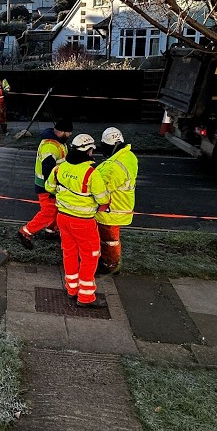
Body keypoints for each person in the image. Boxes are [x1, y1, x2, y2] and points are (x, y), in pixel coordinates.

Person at [45, 133, 110, 307]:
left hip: (63, 219)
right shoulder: (91, 173)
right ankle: (86, 297)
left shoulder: (60, 168)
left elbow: (48, 187)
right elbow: (103, 200)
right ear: (88, 151)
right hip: (84, 222)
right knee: (90, 256)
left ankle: (72, 289)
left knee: (69, 253)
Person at [17, 118, 74, 250]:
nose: (70, 135)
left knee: (56, 208)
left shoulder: (57, 142)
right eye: (69, 133)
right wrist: (53, 189)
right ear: (61, 132)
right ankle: (25, 232)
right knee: (48, 211)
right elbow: (48, 169)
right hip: (47, 186)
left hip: (49, 185)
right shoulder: (51, 146)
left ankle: (51, 231)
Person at [95, 126, 138, 275]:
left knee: (109, 240)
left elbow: (102, 191)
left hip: (111, 210)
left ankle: (110, 266)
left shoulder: (114, 167)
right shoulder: (128, 156)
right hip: (120, 206)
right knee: (108, 239)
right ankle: (109, 261)